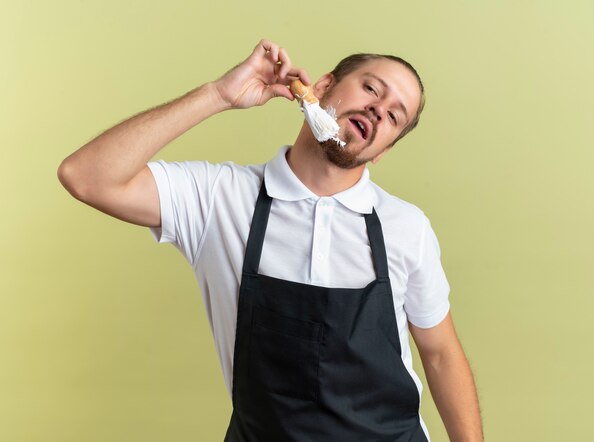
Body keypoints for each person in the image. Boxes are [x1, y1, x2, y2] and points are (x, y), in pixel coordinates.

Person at [58, 39, 483, 441]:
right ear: (322, 87)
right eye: (372, 88)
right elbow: (86, 177)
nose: (377, 110)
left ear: (386, 147)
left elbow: (441, 354)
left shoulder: (405, 227)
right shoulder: (219, 199)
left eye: (394, 116)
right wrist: (218, 96)